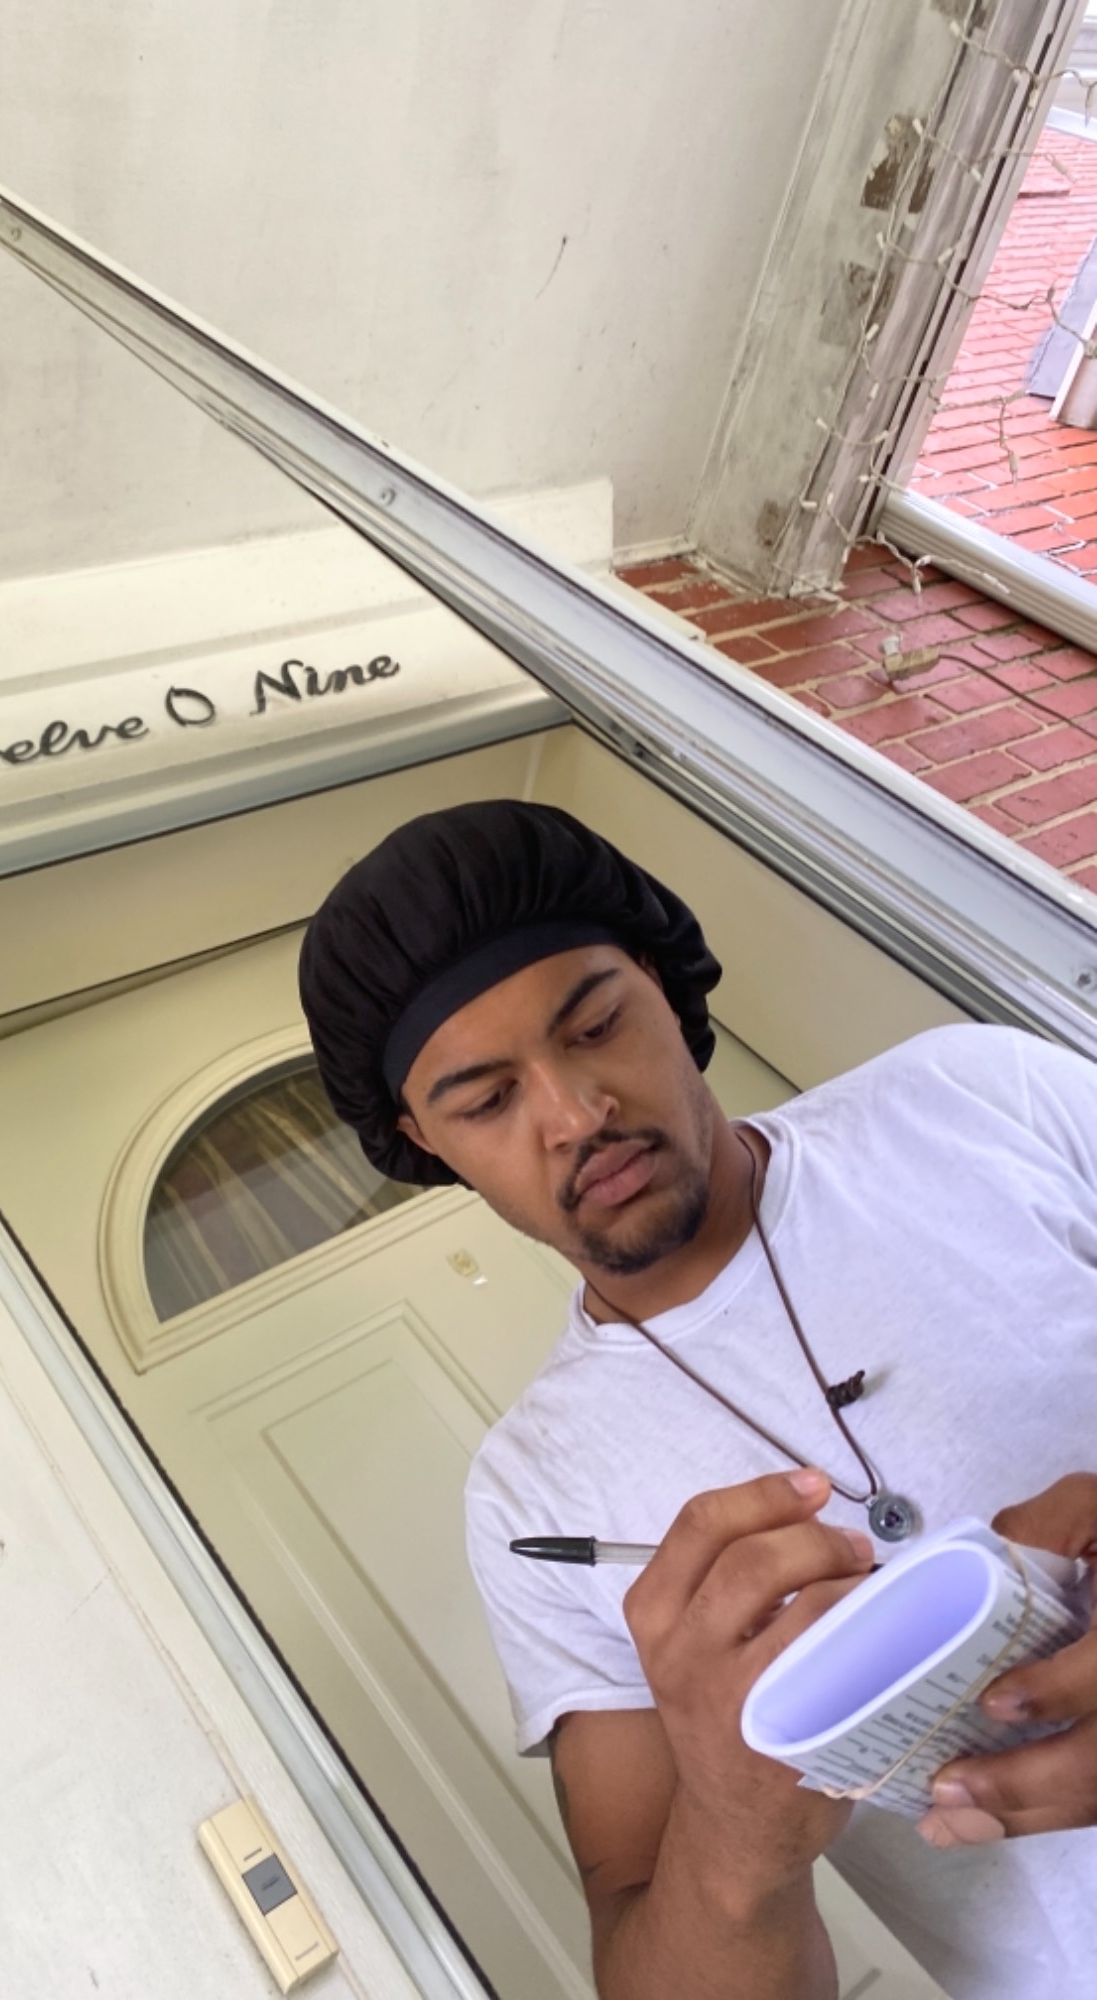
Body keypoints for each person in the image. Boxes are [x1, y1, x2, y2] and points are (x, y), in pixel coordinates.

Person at [297, 798, 1097, 2000]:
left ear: (665, 983)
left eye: (597, 1024)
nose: (576, 1113)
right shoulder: (534, 1495)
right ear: (423, 1140)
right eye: (487, 1100)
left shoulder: (976, 1096)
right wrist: (732, 1833)